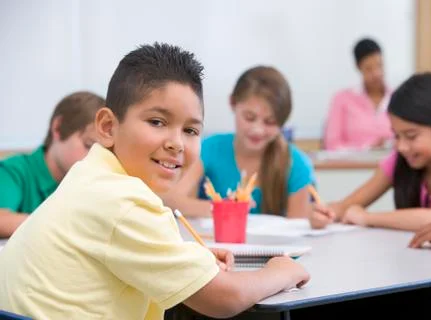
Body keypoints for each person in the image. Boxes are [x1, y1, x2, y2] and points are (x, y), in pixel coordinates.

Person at [0, 43, 310, 319]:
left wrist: (183, 257)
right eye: (157, 122)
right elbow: (224, 299)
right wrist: (278, 272)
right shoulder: (124, 202)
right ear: (107, 126)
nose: (176, 143)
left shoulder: (93, 176)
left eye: (190, 130)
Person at [310, 73, 431, 231]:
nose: (401, 147)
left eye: (411, 136)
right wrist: (325, 213)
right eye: (396, 136)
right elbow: (346, 206)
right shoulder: (400, 161)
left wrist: (368, 218)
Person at [163, 66, 320, 219]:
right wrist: (223, 209)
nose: (257, 130)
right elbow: (171, 200)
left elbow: (298, 227)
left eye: (270, 122)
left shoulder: (296, 163)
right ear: (233, 103)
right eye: (249, 118)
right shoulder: (210, 148)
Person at [0, 91, 104, 237]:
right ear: (57, 127)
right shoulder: (13, 171)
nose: (95, 157)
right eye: (88, 145)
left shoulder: (92, 183)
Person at [323, 38, 393, 150]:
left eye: (380, 65)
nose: (376, 73)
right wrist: (367, 148)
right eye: (369, 69)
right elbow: (331, 145)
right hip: (354, 165)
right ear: (358, 68)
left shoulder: (398, 98)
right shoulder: (341, 99)